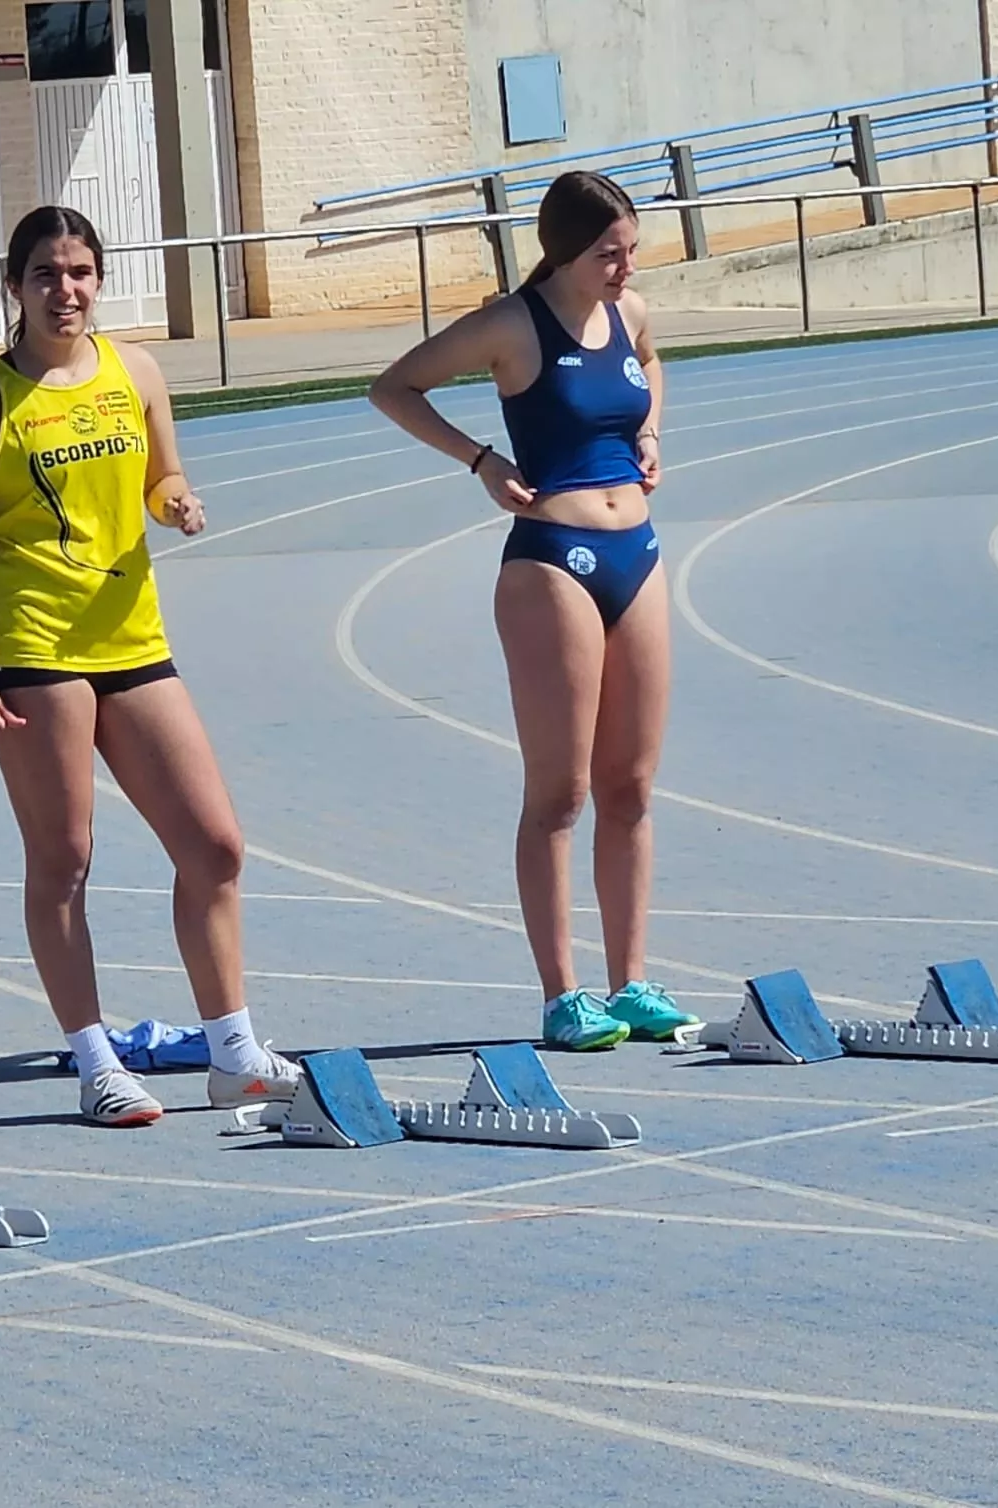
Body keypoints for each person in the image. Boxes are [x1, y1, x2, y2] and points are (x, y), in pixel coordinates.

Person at [0, 204, 301, 1126]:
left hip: (133, 638)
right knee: (64, 858)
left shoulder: (134, 369)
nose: (67, 291)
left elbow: (162, 475)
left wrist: (177, 501)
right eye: (47, 276)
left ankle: (233, 1052)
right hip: (34, 647)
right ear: (14, 288)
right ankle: (96, 1061)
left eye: (81, 273)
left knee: (215, 845)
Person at [368, 171, 697, 1051]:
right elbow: (394, 387)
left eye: (631, 250)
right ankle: (564, 994)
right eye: (608, 253)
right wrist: (479, 460)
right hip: (553, 561)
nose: (625, 268)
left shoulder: (629, 315)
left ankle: (631, 982)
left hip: (640, 553)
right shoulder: (515, 326)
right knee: (563, 791)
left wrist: (651, 433)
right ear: (563, 249)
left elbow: (651, 367)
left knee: (631, 785)